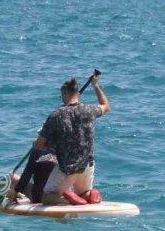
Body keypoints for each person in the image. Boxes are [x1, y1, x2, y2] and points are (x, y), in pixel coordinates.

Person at [34, 74, 110, 205]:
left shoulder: (56, 115)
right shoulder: (89, 110)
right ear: (78, 94)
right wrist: (95, 85)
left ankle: (71, 199)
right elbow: (105, 105)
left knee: (47, 197)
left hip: (68, 167)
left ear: (64, 94)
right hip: (87, 164)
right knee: (83, 192)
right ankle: (90, 195)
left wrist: (35, 143)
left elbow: (39, 145)